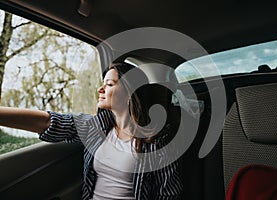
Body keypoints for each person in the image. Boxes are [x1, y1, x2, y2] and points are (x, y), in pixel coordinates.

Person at [0, 62, 183, 200]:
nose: (100, 89)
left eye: (110, 84)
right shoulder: (96, 127)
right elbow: (49, 122)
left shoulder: (158, 141)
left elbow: (168, 196)